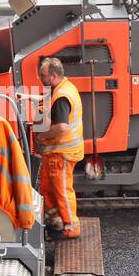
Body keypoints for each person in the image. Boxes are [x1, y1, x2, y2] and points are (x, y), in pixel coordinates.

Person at [33, 56, 83, 238]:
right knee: (49, 187)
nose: (40, 78)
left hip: (62, 153)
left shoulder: (62, 96)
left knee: (62, 191)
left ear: (53, 76)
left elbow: (62, 127)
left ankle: (71, 228)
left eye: (43, 75)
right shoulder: (62, 88)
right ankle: (55, 220)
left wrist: (42, 136)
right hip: (55, 154)